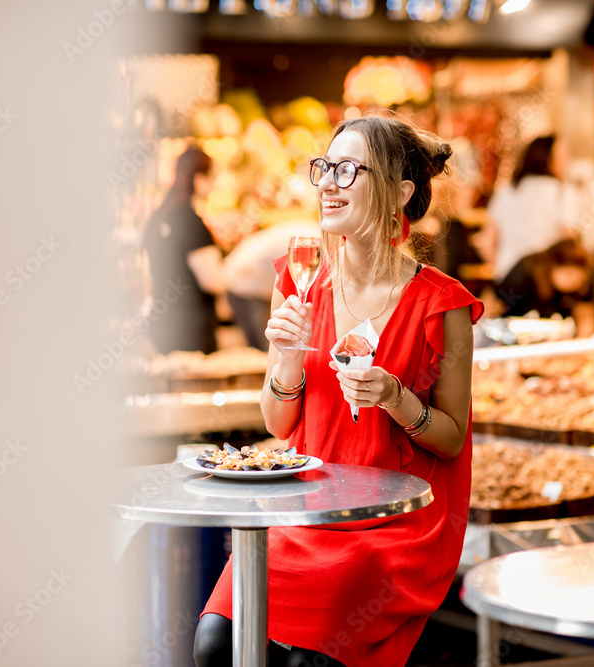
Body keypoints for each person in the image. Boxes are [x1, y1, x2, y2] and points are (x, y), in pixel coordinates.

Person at [194, 114, 483, 667]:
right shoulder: (300, 281)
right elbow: (279, 425)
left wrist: (396, 397)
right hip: (304, 510)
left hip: (391, 523)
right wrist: (285, 357)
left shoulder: (442, 304)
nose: (327, 182)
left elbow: (450, 441)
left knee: (310, 661)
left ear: (399, 191)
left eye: (348, 170)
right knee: (214, 644)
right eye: (324, 167)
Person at [143, 146, 225, 354]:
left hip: (163, 329)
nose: (214, 185)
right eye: (212, 177)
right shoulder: (190, 221)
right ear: (199, 178)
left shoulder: (158, 217)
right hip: (191, 333)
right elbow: (212, 281)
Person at [482, 135, 579, 283]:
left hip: (508, 279)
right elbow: (569, 241)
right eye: (563, 157)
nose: (566, 162)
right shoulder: (563, 192)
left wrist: (502, 270)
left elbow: (486, 243)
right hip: (544, 281)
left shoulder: (505, 191)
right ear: (548, 159)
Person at [223, 220, 322, 351]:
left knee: (268, 338)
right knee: (263, 344)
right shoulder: (314, 240)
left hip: (244, 279)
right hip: (244, 288)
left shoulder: (307, 231)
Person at [493, 238, 594, 337]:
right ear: (551, 266)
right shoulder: (523, 275)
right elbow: (495, 309)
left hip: (559, 341)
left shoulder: (581, 285)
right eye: (568, 275)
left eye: (580, 280)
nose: (574, 283)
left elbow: (587, 319)